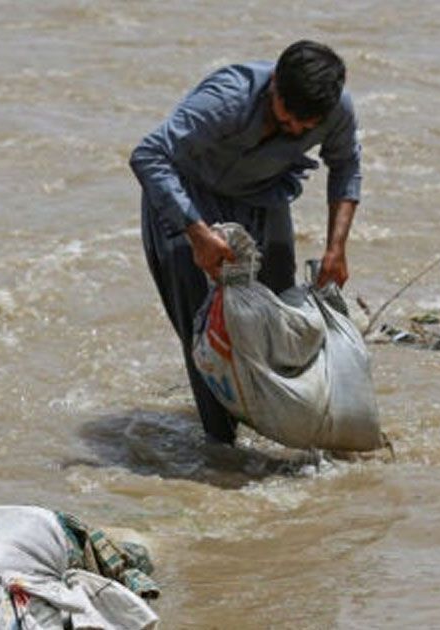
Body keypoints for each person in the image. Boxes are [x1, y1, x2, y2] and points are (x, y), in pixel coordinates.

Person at [130, 40, 362, 444]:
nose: (294, 132)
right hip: (187, 197)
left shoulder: (336, 108)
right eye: (287, 120)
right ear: (274, 85)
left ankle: (289, 426)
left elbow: (346, 165)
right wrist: (199, 234)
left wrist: (336, 248)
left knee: (279, 313)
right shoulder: (226, 100)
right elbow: (149, 155)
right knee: (205, 326)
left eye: (306, 129)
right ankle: (222, 448)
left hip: (261, 193)